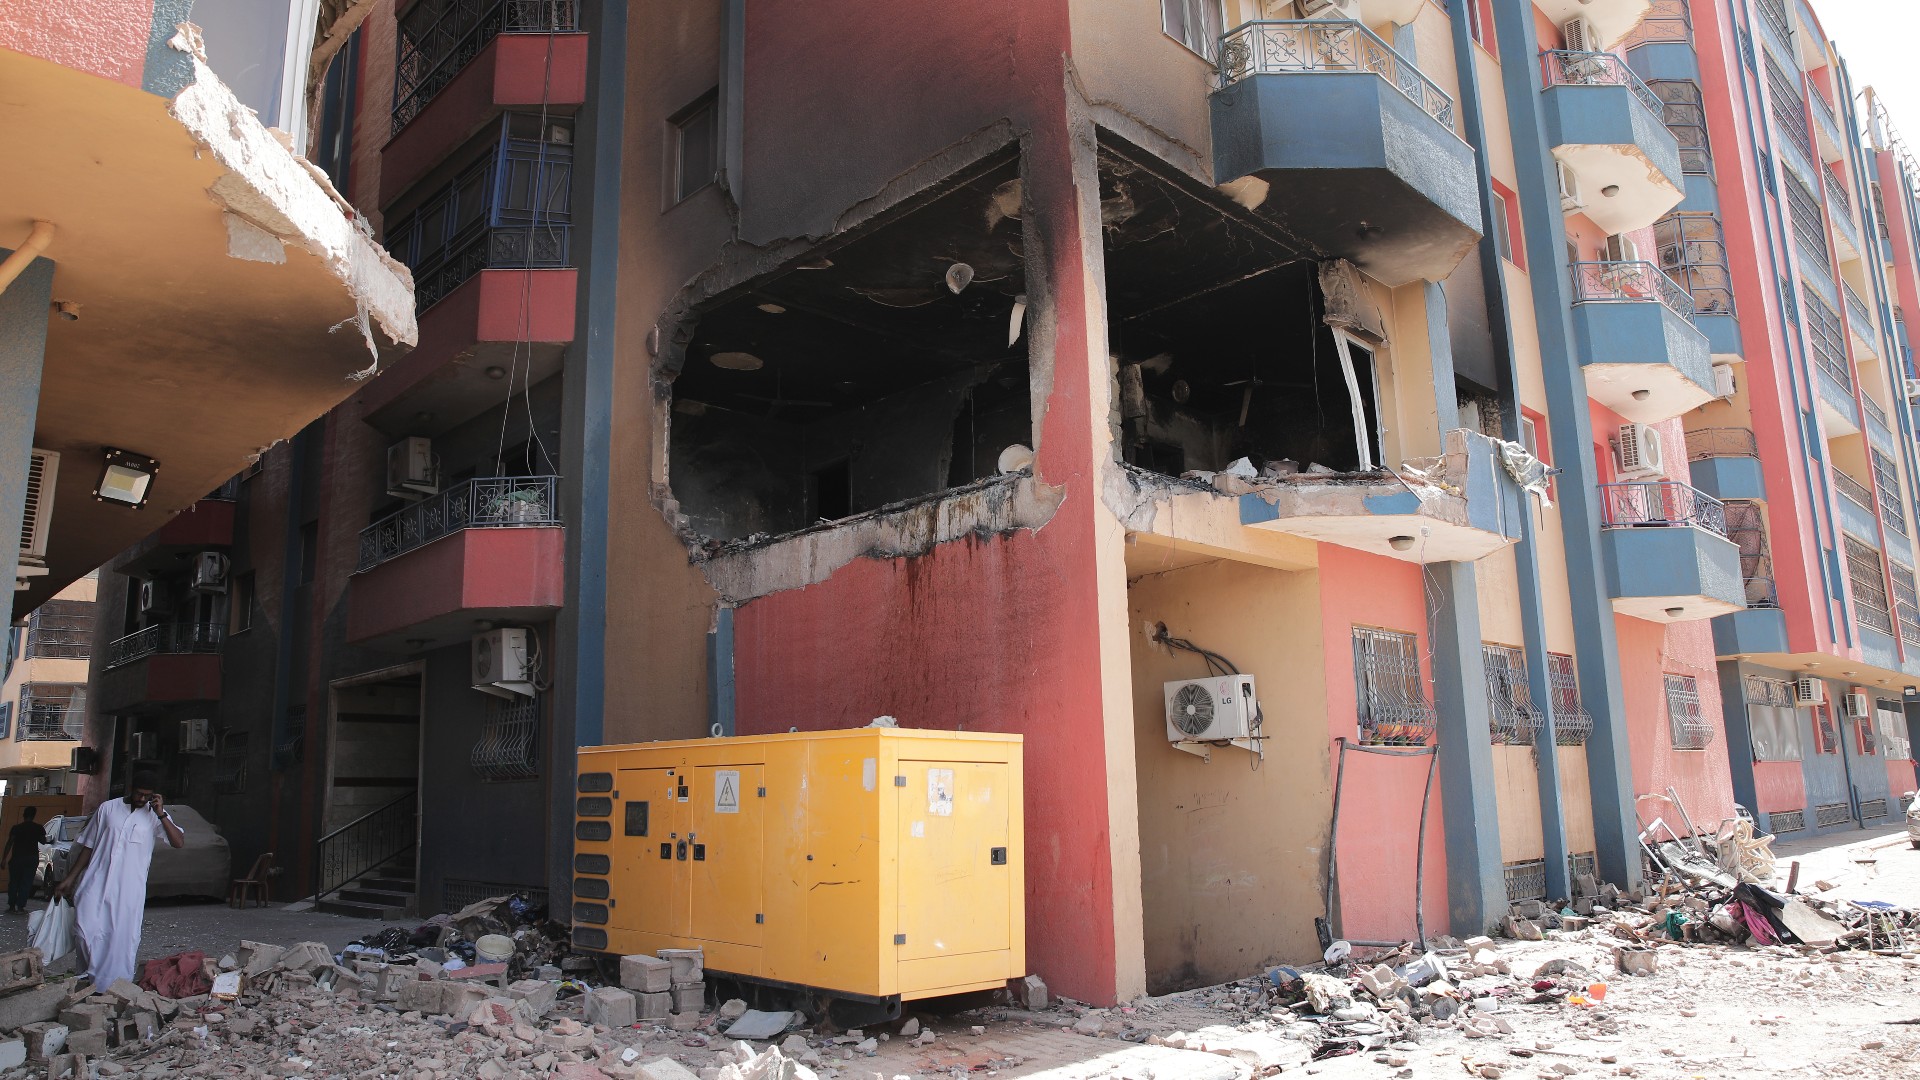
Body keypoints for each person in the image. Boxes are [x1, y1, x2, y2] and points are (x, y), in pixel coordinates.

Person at [53, 770, 185, 987]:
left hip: (129, 887)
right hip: (96, 879)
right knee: (85, 928)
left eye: (147, 795)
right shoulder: (108, 809)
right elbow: (89, 845)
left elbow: (178, 842)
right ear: (130, 788)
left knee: (119, 937)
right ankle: (91, 975)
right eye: (139, 793)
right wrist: (70, 878)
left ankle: (111, 986)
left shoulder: (155, 815)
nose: (142, 799)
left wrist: (161, 813)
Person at [2, 807, 47, 913]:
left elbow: (9, 843)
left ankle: (12, 906)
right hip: (31, 859)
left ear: (23, 815)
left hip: (17, 859)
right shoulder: (38, 828)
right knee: (26, 883)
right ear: (34, 815)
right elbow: (43, 841)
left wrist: (4, 859)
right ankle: (21, 907)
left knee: (14, 882)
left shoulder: (16, 828)